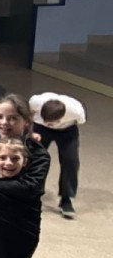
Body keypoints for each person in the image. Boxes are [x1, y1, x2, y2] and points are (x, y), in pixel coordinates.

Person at [30, 91, 84, 219]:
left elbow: (79, 122)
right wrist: (30, 131)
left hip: (67, 130)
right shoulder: (36, 101)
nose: (49, 124)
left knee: (70, 161)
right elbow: (27, 114)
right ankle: (32, 193)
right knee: (33, 158)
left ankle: (66, 199)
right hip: (40, 128)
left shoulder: (76, 111)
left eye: (51, 123)